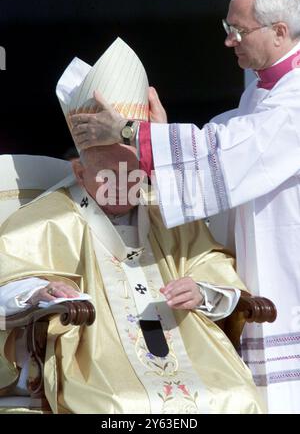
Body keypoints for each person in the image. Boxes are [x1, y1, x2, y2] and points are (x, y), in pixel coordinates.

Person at [69, 0, 300, 414]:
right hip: (261, 251)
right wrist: (155, 134)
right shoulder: (259, 88)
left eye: (239, 30)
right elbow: (222, 138)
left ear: (280, 32)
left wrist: (130, 132)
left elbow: (233, 149)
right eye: (227, 28)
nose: (230, 41)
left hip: (287, 256)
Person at [0, 141, 264, 413]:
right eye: (107, 176)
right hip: (93, 355)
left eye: (133, 175)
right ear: (80, 172)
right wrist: (39, 291)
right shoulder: (47, 217)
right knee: (122, 407)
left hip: (186, 342)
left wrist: (202, 289)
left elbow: (209, 261)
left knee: (240, 397)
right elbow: (8, 275)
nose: (121, 187)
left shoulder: (164, 211)